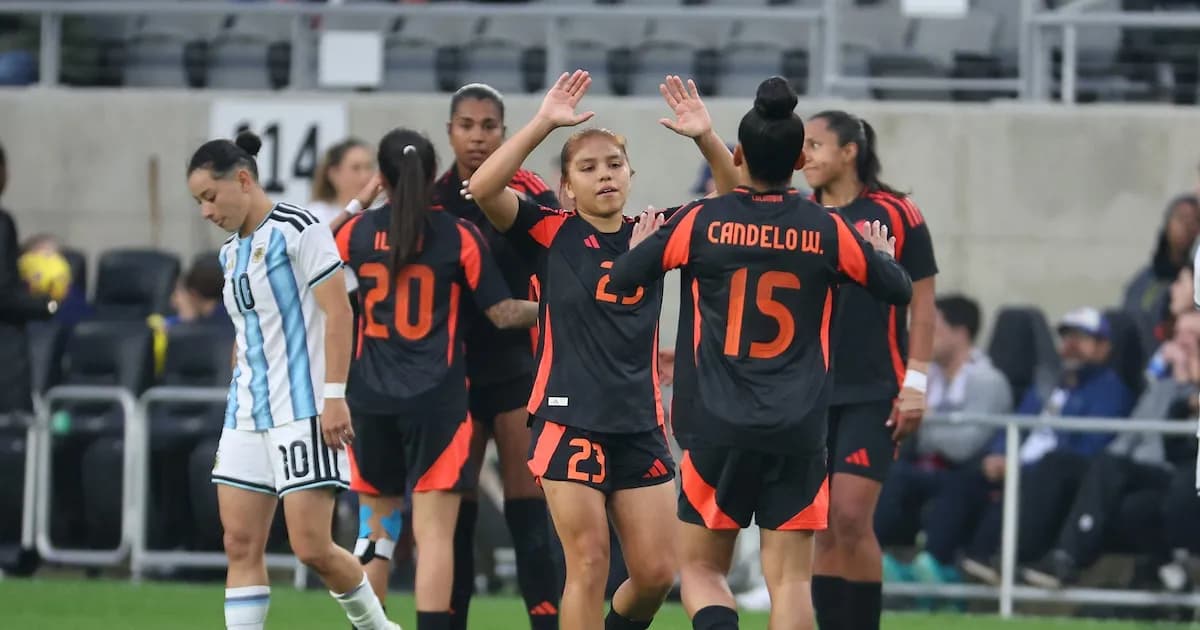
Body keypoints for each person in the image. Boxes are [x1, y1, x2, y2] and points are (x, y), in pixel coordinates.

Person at [607, 76, 913, 630]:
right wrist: (880, 254)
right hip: (798, 430)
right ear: (799, 159)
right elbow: (897, 288)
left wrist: (638, 249)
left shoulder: (701, 221)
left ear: (739, 154)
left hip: (714, 425)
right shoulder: (827, 229)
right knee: (791, 581)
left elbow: (626, 278)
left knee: (700, 569)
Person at [466, 70, 736, 630]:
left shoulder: (657, 230)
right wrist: (544, 121)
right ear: (567, 187)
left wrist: (706, 137)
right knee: (589, 561)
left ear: (631, 174)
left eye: (613, 164)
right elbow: (486, 187)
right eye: (587, 168)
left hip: (638, 424)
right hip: (568, 422)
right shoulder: (549, 231)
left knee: (658, 573)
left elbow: (736, 207)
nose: (604, 175)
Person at [186, 131, 397, 630]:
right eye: (198, 202)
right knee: (239, 544)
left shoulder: (299, 227)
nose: (205, 212)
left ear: (242, 179)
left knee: (312, 548)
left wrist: (334, 397)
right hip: (245, 413)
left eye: (209, 197)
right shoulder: (230, 252)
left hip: (303, 411)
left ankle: (377, 628)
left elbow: (339, 314)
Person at [334, 127, 538, 630]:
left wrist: (360, 202)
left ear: (381, 178)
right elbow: (503, 313)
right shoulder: (458, 234)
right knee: (434, 537)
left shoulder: (354, 234)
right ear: (433, 177)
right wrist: (564, 307)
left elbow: (306, 259)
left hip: (370, 403)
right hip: (439, 404)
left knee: (376, 533)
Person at [431, 83, 563, 630]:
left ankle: (546, 620)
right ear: (450, 132)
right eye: (467, 125)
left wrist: (537, 313)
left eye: (488, 126)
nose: (478, 136)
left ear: (505, 132)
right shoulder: (430, 199)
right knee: (454, 515)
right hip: (451, 376)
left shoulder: (530, 192)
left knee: (527, 508)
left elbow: (567, 272)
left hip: (517, 370)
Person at [802, 110, 939, 630]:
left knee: (851, 518)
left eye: (816, 145)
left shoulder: (897, 212)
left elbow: (923, 306)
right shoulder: (799, 214)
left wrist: (916, 383)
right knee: (821, 527)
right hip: (809, 393)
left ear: (849, 151)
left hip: (874, 389)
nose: (806, 155)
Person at [874, 295, 1012, 590]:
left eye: (932, 329)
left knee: (956, 483)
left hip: (969, 476)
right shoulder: (927, 377)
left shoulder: (987, 380)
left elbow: (965, 446)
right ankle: (875, 552)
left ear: (961, 333)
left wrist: (924, 418)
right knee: (892, 475)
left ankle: (937, 566)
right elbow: (913, 436)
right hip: (928, 469)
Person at [1122, 194, 1200, 353]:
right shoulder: (1142, 281)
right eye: (1181, 218)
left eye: (1195, 220)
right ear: (1168, 223)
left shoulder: (1193, 281)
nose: (1188, 225)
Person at [309, 138, 377, 224]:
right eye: (355, 168)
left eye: (368, 167)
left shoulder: (383, 212)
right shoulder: (317, 214)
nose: (365, 176)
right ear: (334, 173)